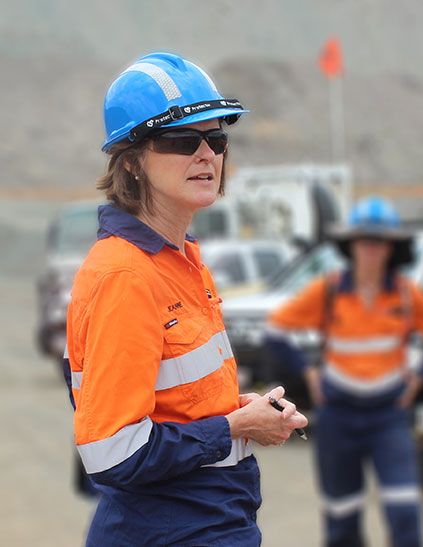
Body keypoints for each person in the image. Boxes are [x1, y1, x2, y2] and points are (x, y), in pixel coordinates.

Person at [63, 51, 307, 545]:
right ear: (130, 162)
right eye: (181, 140)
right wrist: (234, 425)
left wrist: (248, 414)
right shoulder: (125, 275)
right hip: (172, 526)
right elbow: (112, 452)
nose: (207, 154)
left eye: (216, 138)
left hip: (205, 517)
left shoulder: (181, 257)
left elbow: (174, 403)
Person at [265, 196, 423, 547]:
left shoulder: (406, 294)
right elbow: (275, 332)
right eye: (363, 241)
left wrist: (419, 379)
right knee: (342, 520)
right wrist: (307, 373)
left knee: (405, 514)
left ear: (391, 247)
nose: (370, 250)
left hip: (389, 417)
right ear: (350, 245)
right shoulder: (329, 290)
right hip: (338, 417)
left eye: (378, 242)